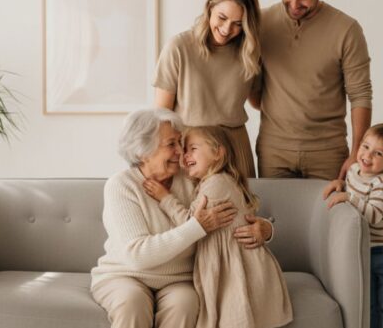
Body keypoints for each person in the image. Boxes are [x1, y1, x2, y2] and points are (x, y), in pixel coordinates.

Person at [91, 108, 272, 328]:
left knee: (185, 304)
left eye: (181, 143)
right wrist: (198, 226)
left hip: (179, 279)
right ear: (142, 152)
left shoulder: (193, 178)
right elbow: (138, 256)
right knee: (132, 303)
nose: (180, 152)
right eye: (171, 144)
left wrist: (266, 228)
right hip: (125, 275)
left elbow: (235, 208)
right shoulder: (121, 186)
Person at [143, 126, 292, 328]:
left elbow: (191, 224)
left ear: (217, 152)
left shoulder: (217, 183)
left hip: (236, 268)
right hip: (228, 264)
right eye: (184, 150)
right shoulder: (212, 182)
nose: (185, 156)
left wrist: (165, 198)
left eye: (193, 148)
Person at [250, 0, 373, 181]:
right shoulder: (261, 22)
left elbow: (360, 95)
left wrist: (356, 152)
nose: (294, 4)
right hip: (274, 150)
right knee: (271, 218)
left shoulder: (347, 29)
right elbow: (253, 88)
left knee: (329, 217)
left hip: (328, 152)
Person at [154, 0, 261, 177]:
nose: (227, 29)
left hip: (234, 148)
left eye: (238, 24)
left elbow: (258, 102)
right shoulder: (179, 47)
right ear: (209, 7)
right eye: (222, 17)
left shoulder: (250, 51)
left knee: (242, 207)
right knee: (189, 208)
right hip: (191, 149)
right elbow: (162, 114)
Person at [323, 123, 383, 328]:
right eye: (365, 146)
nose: (367, 156)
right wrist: (339, 184)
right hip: (366, 250)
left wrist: (348, 197)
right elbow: (352, 187)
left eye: (378, 153)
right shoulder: (354, 170)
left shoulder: (382, 184)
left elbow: (373, 215)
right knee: (368, 303)